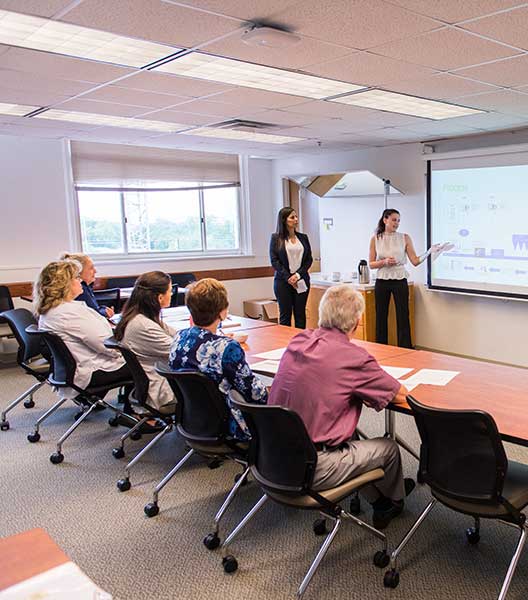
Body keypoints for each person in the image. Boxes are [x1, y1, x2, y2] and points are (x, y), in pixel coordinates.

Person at [268, 284, 413, 529]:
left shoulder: (298, 340)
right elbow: (400, 395)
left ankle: (377, 499)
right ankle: (393, 502)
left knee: (351, 436)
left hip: (271, 456)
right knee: (388, 448)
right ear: (357, 322)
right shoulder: (353, 357)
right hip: (311, 467)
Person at [169, 278, 268, 440]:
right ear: (222, 312)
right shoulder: (227, 348)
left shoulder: (179, 337)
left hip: (193, 417)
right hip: (230, 423)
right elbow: (256, 395)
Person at [34, 260, 129, 405]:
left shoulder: (52, 310)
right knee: (146, 362)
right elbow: (107, 345)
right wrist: (129, 352)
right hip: (93, 370)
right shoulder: (69, 312)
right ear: (64, 284)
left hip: (75, 369)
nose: (80, 281)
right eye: (76, 278)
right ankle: (139, 414)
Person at [368, 209, 435, 349]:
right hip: (382, 280)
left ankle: (405, 348)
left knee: (403, 315)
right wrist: (384, 262)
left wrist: (430, 252)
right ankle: (381, 348)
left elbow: (415, 261)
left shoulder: (405, 237)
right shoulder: (375, 238)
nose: (397, 223)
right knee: (381, 316)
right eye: (394, 220)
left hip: (400, 279)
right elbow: (371, 264)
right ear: (385, 220)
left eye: (398, 220)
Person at [114, 271, 177, 415]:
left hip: (155, 378)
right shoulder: (143, 326)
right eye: (170, 290)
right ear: (160, 297)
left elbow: (176, 335)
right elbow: (180, 351)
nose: (172, 294)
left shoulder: (140, 316)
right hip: (163, 387)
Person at [270, 207, 313, 329]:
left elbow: (309, 259)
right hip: (283, 281)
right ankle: (285, 345)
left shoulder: (303, 237)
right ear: (284, 220)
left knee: (300, 314)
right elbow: (274, 261)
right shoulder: (276, 238)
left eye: (296, 217)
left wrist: (297, 275)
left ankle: (301, 344)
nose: (296, 220)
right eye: (292, 217)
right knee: (285, 315)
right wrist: (289, 277)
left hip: (301, 280)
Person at [59, 252, 114, 318]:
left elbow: (93, 310)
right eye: (91, 268)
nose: (95, 271)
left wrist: (103, 309)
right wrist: (104, 312)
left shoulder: (87, 287)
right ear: (78, 272)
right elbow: (94, 315)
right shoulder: (80, 290)